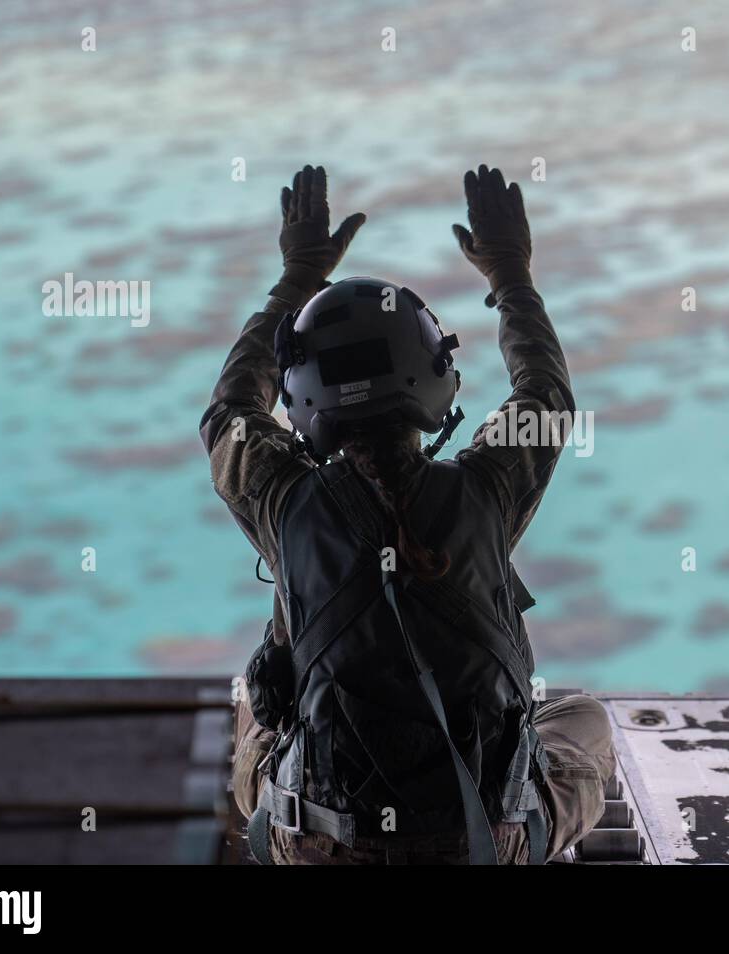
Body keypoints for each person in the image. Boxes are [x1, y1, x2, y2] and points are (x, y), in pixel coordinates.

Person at [200, 163, 616, 864]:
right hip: (482, 845)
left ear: (303, 397)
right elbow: (544, 394)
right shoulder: (485, 494)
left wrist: (299, 274)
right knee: (586, 722)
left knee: (254, 708)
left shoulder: (285, 502)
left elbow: (230, 412)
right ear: (434, 379)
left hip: (322, 847)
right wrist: (509, 272)